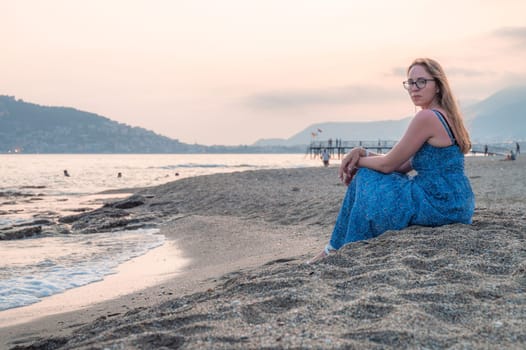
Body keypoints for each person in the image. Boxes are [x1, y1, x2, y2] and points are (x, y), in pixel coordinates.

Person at [310, 58, 475, 263]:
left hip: (439, 202)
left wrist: (355, 162)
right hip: (457, 202)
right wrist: (363, 154)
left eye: (421, 82)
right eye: (410, 83)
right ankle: (333, 248)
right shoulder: (446, 115)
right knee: (370, 174)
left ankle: (333, 249)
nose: (414, 88)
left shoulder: (427, 118)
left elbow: (388, 165)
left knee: (367, 175)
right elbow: (401, 165)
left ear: (438, 85)